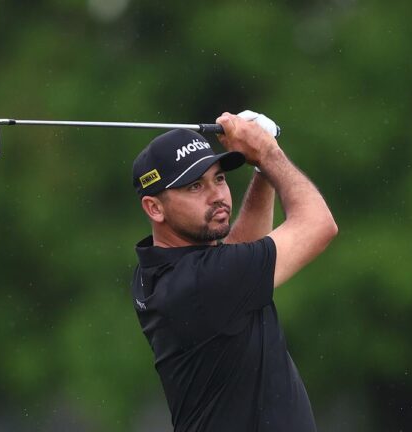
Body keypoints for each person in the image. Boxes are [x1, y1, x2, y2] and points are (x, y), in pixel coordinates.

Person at [130, 111, 338, 432]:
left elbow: (239, 253)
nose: (217, 196)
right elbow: (319, 226)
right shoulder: (204, 283)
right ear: (154, 208)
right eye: (195, 186)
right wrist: (268, 153)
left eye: (219, 178)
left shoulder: (161, 271)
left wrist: (261, 169)